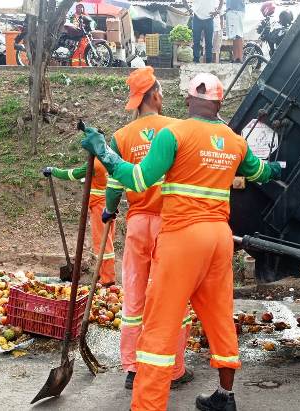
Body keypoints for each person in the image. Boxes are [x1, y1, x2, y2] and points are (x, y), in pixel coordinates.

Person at [81, 73, 282, 411]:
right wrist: (277, 168)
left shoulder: (173, 134)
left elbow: (139, 179)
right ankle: (225, 396)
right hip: (219, 238)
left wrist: (104, 152)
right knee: (219, 316)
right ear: (219, 104)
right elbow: (261, 172)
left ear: (189, 101)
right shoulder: (234, 141)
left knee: (160, 321)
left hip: (182, 238)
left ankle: (148, 405)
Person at [102, 67, 194, 390]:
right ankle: (175, 368)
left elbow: (114, 182)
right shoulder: (178, 129)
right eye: (162, 93)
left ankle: (132, 368)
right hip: (171, 224)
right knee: (172, 297)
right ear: (154, 95)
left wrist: (109, 210)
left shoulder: (121, 137)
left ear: (136, 101)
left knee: (135, 299)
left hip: (138, 223)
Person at [42, 160, 117, 287]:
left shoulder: (95, 163)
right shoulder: (111, 157)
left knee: (102, 244)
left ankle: (107, 279)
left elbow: (73, 174)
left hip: (99, 206)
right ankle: (102, 273)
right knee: (108, 240)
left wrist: (53, 170)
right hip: (110, 205)